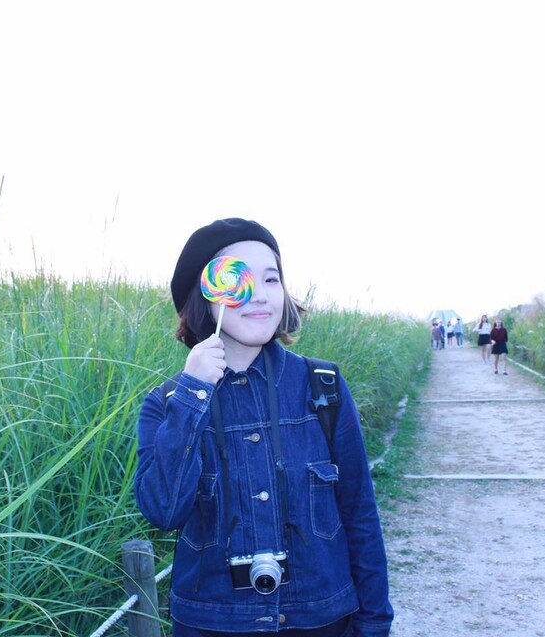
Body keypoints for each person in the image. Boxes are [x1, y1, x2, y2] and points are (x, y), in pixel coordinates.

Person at [134, 218, 394, 637]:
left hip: (323, 620)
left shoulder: (323, 386)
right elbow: (163, 511)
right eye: (239, 278)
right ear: (206, 295)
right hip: (212, 625)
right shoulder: (166, 404)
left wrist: (375, 624)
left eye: (271, 279)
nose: (259, 294)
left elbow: (359, 513)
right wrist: (193, 394)